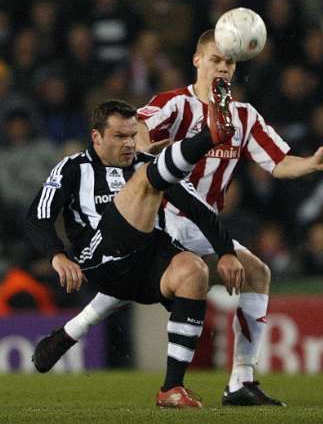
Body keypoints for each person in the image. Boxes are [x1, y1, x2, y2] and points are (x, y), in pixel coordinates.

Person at [31, 30, 323, 406]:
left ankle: (240, 381)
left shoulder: (245, 117)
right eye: (216, 59)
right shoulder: (174, 104)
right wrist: (144, 143)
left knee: (257, 273)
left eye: (229, 62)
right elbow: (142, 126)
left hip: (202, 220)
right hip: (161, 214)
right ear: (197, 61)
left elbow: (280, 163)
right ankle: (87, 337)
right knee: (140, 272)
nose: (223, 67)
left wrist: (312, 163)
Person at [26, 97, 245, 409]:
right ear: (96, 137)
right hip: (100, 258)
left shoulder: (144, 165)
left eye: (132, 135)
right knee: (147, 178)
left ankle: (171, 388)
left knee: (194, 271)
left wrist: (226, 252)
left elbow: (200, 210)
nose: (129, 144)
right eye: (120, 136)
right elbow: (38, 217)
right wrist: (57, 255)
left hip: (143, 264)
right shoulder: (73, 169)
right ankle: (210, 136)